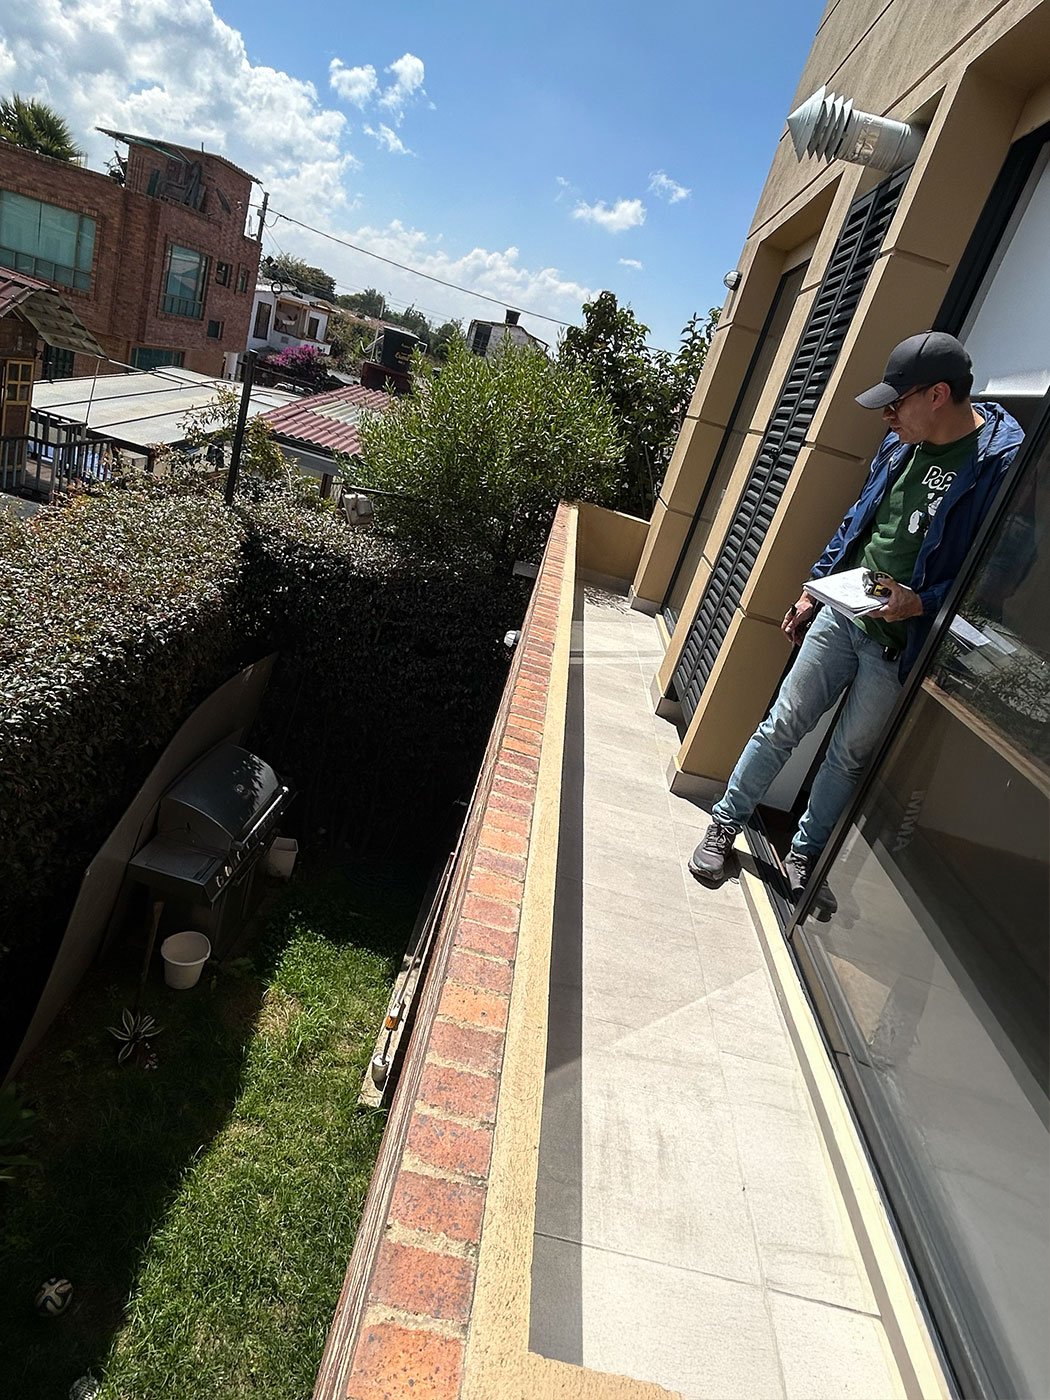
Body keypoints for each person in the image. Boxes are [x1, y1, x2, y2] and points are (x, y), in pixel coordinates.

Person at [688, 330, 1024, 913]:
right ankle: (724, 825)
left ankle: (802, 855)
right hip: (843, 614)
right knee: (783, 725)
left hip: (903, 640)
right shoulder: (902, 445)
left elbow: (999, 571)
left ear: (938, 395)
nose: (888, 416)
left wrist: (922, 603)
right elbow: (857, 525)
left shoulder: (1000, 462)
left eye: (897, 403)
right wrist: (813, 591)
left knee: (848, 756)